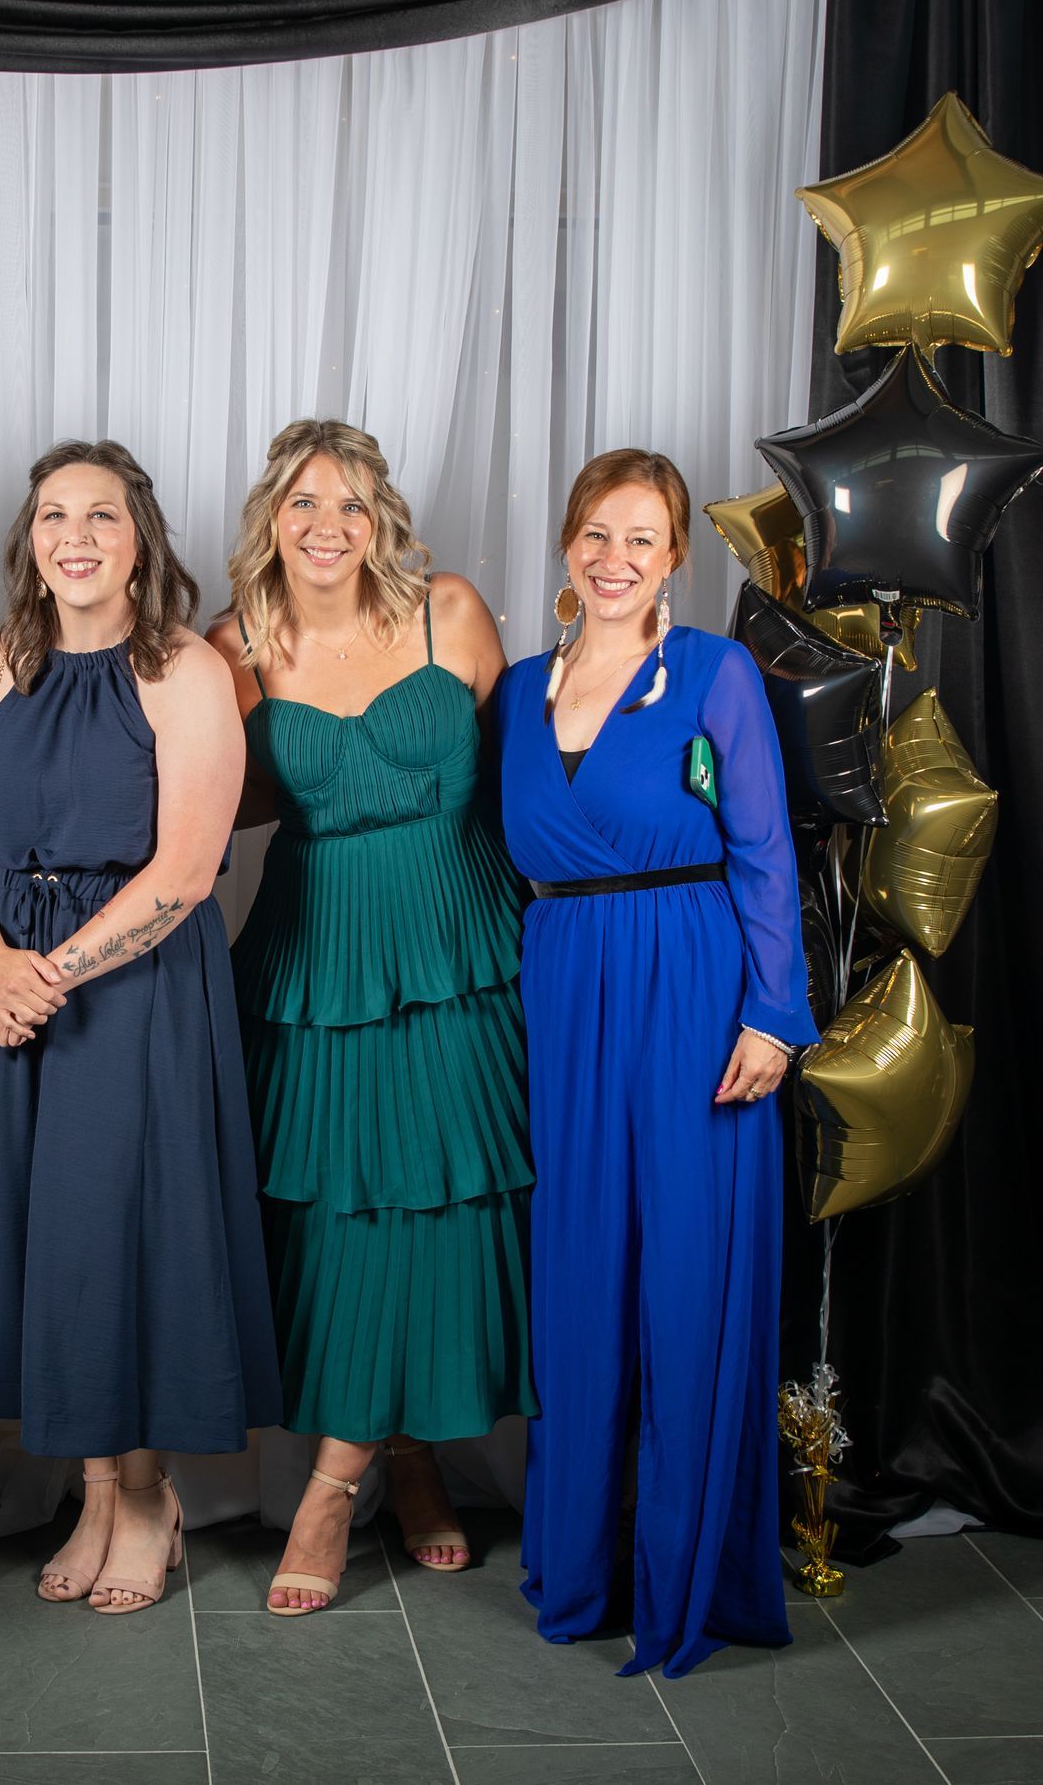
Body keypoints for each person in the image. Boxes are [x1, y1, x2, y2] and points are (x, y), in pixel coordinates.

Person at [0, 438, 282, 1616]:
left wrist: (50, 980)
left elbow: (187, 869)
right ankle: (92, 1492)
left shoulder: (184, 667)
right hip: (14, 986)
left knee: (125, 1241)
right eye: (52, 518)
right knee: (52, 1248)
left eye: (100, 516)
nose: (74, 537)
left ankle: (149, 1499)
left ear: (142, 538)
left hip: (131, 992)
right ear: (29, 543)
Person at [496, 447, 817, 1678]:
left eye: (641, 537)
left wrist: (773, 1015)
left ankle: (691, 1577)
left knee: (687, 1281)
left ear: (675, 554)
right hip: (566, 988)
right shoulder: (520, 691)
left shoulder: (716, 675)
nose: (614, 557)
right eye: (595, 532)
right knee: (580, 1283)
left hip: (696, 993)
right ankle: (584, 1568)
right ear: (569, 544)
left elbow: (765, 852)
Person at [209, 419, 535, 1616]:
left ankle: (370, 1472)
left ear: (380, 514)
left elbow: (535, 787)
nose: (327, 526)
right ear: (271, 520)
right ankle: (373, 1466)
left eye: (349, 503)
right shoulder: (235, 645)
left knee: (442, 1217)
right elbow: (189, 810)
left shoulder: (452, 610)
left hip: (460, 957)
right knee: (338, 1229)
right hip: (317, 966)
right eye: (302, 504)